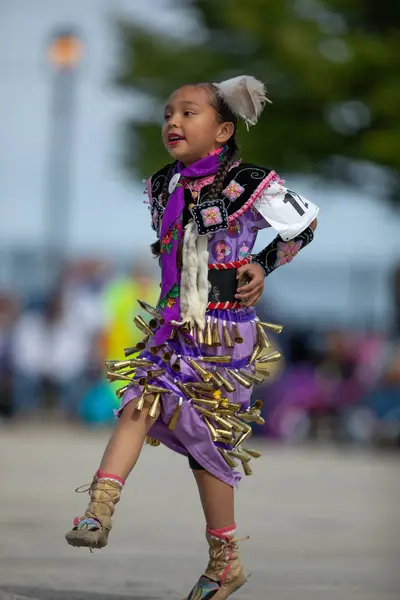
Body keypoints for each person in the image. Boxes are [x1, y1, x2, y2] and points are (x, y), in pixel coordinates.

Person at [65, 75, 319, 599]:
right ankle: (98, 509)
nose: (173, 123)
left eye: (188, 113)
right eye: (167, 114)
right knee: (139, 401)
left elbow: (305, 225)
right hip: (172, 327)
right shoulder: (163, 184)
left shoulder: (252, 183)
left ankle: (224, 559)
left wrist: (262, 265)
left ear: (223, 129)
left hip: (225, 335)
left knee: (212, 451)